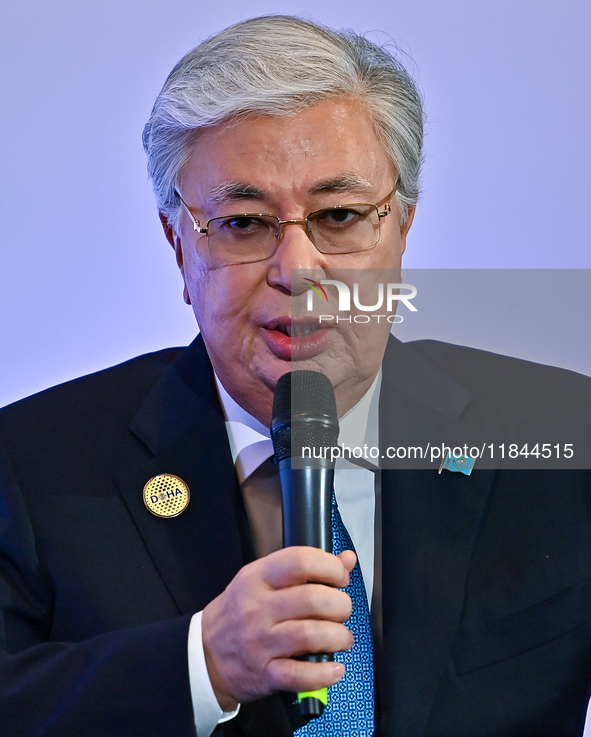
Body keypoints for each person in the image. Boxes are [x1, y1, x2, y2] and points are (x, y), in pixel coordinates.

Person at [1, 14, 591, 737]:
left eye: (338, 215)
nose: (297, 271)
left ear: (400, 228)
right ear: (177, 243)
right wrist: (200, 664)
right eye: (245, 223)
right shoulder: (29, 464)